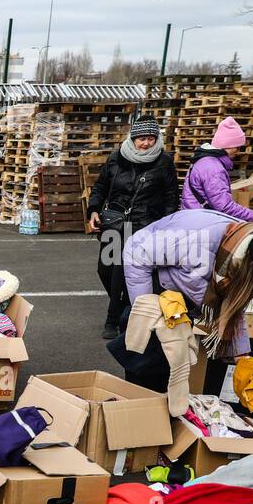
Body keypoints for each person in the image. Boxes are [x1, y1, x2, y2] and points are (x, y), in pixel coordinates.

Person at [111, 209, 253, 390]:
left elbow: (234, 305)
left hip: (179, 294)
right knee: (144, 356)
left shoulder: (241, 258)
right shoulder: (200, 239)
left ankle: (162, 412)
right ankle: (136, 411)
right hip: (150, 278)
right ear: (251, 260)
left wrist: (241, 357)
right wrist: (146, 308)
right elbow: (137, 251)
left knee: (171, 361)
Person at [86, 115, 180, 339]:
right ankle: (124, 306)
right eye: (141, 138)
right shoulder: (116, 158)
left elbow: (171, 197)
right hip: (115, 222)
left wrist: (167, 226)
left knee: (121, 270)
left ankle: (114, 319)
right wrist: (94, 209)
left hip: (144, 225)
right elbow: (100, 186)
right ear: (133, 138)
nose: (146, 143)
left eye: (151, 138)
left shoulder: (164, 162)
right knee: (106, 268)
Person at [180, 116, 253, 225]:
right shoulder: (213, 168)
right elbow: (224, 206)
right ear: (228, 145)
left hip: (193, 218)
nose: (238, 152)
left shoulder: (204, 160)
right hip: (201, 223)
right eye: (237, 147)